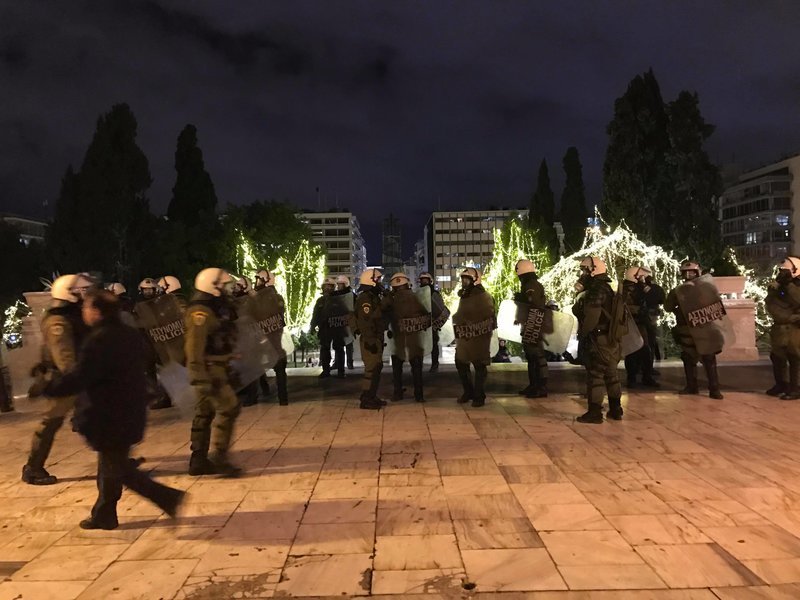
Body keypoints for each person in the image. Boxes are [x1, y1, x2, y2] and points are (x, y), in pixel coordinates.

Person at [43, 289, 185, 530]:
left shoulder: (98, 340)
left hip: (108, 415)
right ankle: (104, 513)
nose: (83, 311)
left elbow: (80, 376)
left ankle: (167, 497)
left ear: (96, 312)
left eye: (87, 307)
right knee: (110, 465)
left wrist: (48, 387)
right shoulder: (128, 334)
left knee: (118, 469)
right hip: (129, 410)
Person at [22, 273, 92, 485]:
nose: (86, 295)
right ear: (69, 295)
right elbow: (65, 358)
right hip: (65, 381)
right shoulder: (58, 321)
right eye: (82, 291)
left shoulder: (72, 316)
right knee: (50, 424)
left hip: (77, 378)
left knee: (99, 418)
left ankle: (117, 461)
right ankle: (33, 468)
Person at [185, 268, 242, 477]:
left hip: (214, 366)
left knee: (205, 412)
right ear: (214, 287)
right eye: (225, 285)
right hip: (208, 370)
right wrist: (199, 378)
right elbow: (194, 348)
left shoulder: (213, 308)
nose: (229, 289)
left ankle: (198, 460)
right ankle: (219, 457)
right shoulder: (200, 312)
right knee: (229, 407)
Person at [572, 256, 622, 423]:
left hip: (599, 339)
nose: (582, 274)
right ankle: (616, 409)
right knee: (611, 375)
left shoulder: (596, 290)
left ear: (593, 271)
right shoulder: (607, 288)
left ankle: (594, 412)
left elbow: (592, 316)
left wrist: (584, 333)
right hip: (611, 338)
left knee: (595, 376)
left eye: (585, 270)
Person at [665, 260, 724, 400]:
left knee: (708, 358)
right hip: (688, 329)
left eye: (691, 272)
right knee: (689, 358)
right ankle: (694, 387)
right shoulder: (678, 291)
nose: (689, 275)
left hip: (704, 328)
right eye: (686, 272)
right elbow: (668, 306)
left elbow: (716, 307)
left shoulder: (705, 288)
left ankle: (713, 389)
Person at [452, 268, 495, 407]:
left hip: (479, 336)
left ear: (475, 280)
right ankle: (469, 392)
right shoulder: (466, 295)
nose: (464, 282)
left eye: (466, 279)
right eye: (463, 279)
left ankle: (479, 395)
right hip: (466, 336)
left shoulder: (483, 295)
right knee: (461, 362)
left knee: (479, 365)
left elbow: (487, 315)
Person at [384, 272, 429, 402]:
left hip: (398, 339)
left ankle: (397, 394)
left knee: (397, 369)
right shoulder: (415, 297)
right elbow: (426, 314)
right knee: (416, 368)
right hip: (414, 338)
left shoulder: (391, 299)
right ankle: (419, 395)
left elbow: (382, 313)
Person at [765, 257, 800, 399]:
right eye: (780, 271)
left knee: (794, 357)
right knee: (777, 357)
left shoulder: (795, 286)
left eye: (784, 271)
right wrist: (777, 286)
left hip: (794, 328)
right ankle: (781, 384)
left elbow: (798, 300)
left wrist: (789, 285)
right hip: (780, 326)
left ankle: (795, 388)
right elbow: (770, 302)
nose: (781, 273)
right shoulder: (778, 286)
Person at [253, 268, 290, 405]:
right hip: (269, 339)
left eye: (258, 280)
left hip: (269, 338)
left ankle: (280, 397)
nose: (256, 283)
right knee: (276, 368)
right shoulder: (275, 297)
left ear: (267, 281)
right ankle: (279, 397)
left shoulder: (263, 298)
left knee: (274, 368)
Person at [134, 277, 171, 410]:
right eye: (146, 290)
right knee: (149, 370)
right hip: (147, 341)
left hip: (161, 340)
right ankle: (156, 396)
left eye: (151, 290)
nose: (148, 293)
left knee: (165, 368)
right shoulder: (138, 306)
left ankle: (166, 396)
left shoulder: (161, 303)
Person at [353, 268, 387, 409]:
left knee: (377, 367)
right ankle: (366, 399)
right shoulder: (365, 299)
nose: (380, 283)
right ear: (371, 281)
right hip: (370, 339)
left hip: (375, 338)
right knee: (371, 370)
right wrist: (371, 341)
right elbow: (366, 322)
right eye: (378, 280)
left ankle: (371, 395)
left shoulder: (372, 297)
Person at [515, 259, 548, 398]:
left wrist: (521, 299)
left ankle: (540, 387)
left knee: (537, 357)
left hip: (534, 326)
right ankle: (534, 385)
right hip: (532, 325)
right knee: (532, 357)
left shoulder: (531, 285)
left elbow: (532, 304)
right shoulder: (532, 284)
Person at [622, 266, 659, 389]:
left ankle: (632, 378)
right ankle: (645, 377)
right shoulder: (635, 289)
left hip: (631, 323)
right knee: (644, 351)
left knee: (632, 352)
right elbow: (653, 298)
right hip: (637, 323)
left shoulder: (623, 288)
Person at [419, 272, 448, 372]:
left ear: (430, 281)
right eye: (422, 280)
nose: (424, 282)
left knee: (433, 345)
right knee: (420, 346)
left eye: (426, 280)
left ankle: (434, 364)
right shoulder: (418, 293)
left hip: (433, 323)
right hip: (422, 324)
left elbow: (440, 307)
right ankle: (418, 365)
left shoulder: (435, 294)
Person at [310, 278, 336, 377]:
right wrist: (312, 326)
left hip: (336, 327)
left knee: (339, 348)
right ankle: (326, 370)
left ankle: (340, 370)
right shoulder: (320, 301)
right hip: (324, 328)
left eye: (329, 287)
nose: (327, 289)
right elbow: (315, 314)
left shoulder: (338, 299)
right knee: (325, 349)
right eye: (325, 287)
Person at [642, 274, 665, 362]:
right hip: (654, 313)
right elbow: (662, 300)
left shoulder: (641, 289)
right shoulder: (657, 288)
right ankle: (654, 358)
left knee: (645, 338)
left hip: (643, 314)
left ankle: (645, 362)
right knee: (653, 337)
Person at [336, 275, 356, 370]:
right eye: (338, 284)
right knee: (338, 344)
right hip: (337, 323)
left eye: (341, 284)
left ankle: (349, 362)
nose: (339, 286)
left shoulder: (351, 295)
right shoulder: (335, 295)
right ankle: (338, 363)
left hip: (348, 322)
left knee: (349, 344)